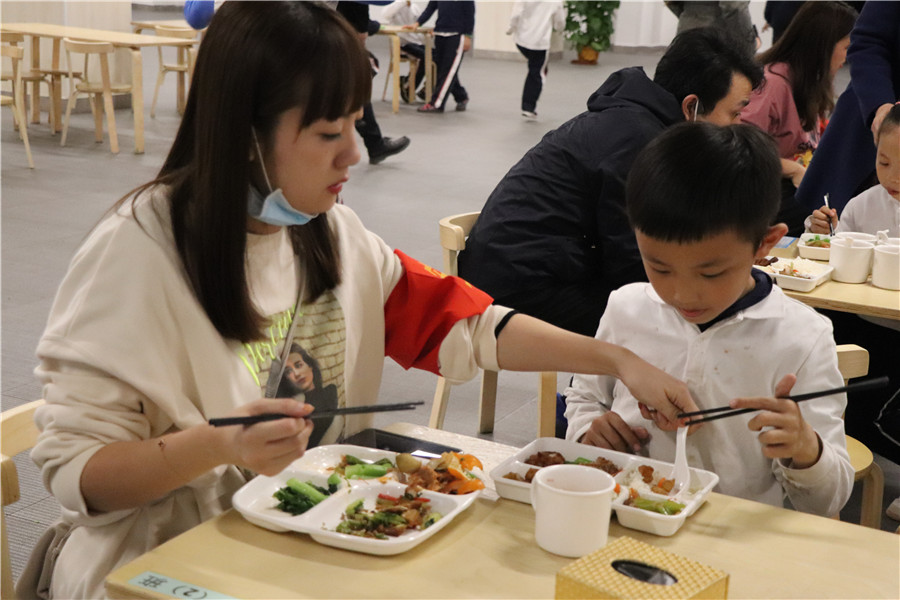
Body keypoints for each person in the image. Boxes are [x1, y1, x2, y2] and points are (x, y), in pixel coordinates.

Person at [18, 4, 701, 598]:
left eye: (355, 122)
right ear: (244, 134)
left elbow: (467, 327)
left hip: (305, 540)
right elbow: (80, 475)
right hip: (164, 562)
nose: (353, 153)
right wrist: (217, 444)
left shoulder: (329, 232)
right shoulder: (138, 253)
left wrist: (616, 359)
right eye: (327, 133)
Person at [564, 122, 854, 516]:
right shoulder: (626, 307)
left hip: (734, 532)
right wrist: (589, 429)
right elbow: (585, 397)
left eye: (711, 273)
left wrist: (805, 450)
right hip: (624, 517)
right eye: (659, 267)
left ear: (766, 243)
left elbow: (830, 500)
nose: (682, 295)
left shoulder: (802, 337)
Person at [457, 28, 763, 337]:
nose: (738, 124)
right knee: (682, 323)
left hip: (534, 271)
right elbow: (633, 260)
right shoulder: (638, 142)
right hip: (516, 293)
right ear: (690, 107)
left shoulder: (633, 121)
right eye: (735, 112)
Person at [805, 104, 900, 468]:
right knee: (841, 411)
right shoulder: (863, 205)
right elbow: (838, 264)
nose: (892, 177)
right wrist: (822, 235)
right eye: (884, 162)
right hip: (863, 328)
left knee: (870, 421)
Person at [740, 1, 858, 236]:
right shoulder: (772, 84)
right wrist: (793, 169)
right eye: (846, 47)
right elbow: (740, 147)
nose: (848, 56)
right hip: (760, 189)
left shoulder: (808, 81)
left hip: (790, 183)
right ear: (823, 46)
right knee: (828, 214)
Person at [795, 2, 900, 215]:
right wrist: (880, 106)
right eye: (884, 163)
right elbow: (868, 40)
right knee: (833, 218)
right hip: (871, 118)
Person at [335, 1, 411, 164]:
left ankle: (374, 143)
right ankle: (374, 144)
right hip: (331, 37)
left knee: (357, 82)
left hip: (332, 34)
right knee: (357, 80)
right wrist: (365, 29)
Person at [406, 0, 474, 113]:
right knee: (443, 70)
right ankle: (461, 96)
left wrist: (468, 36)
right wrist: (418, 23)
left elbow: (470, 14)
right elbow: (430, 8)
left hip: (456, 36)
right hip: (440, 34)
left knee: (448, 72)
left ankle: (436, 104)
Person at [506, 0, 566, 119]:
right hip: (540, 43)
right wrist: (559, 28)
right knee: (537, 72)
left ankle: (528, 105)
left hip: (521, 40)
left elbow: (516, 14)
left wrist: (511, 28)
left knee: (535, 68)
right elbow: (559, 21)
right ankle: (528, 107)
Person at [275, 343, 340, 447]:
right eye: (288, 372)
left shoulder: (329, 393)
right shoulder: (290, 406)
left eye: (298, 365)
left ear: (310, 366)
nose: (297, 373)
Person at [664, 1, 758, 59]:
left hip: (685, 32)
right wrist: (748, 44)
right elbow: (734, 6)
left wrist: (690, 16)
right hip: (718, 42)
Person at [382, 0, 427, 103]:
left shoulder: (415, 8)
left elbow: (419, 25)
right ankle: (409, 87)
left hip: (417, 43)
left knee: (438, 55)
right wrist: (403, 2)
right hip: (403, 44)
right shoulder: (393, 5)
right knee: (424, 57)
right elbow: (385, 14)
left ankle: (427, 89)